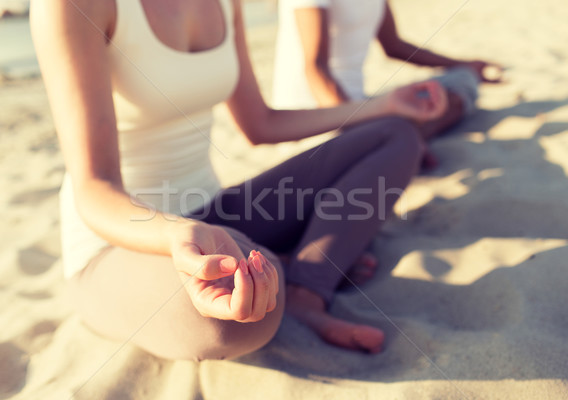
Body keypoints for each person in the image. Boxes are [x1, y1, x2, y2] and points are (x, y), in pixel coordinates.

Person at [30, 0, 447, 361]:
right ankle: (287, 264)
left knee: (395, 135)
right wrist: (176, 234)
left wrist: (381, 105)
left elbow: (260, 124)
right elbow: (94, 189)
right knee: (229, 318)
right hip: (118, 241)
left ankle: (305, 290)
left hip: (216, 213)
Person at [272, 0, 502, 141]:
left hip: (360, 106)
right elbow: (315, 67)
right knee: (397, 125)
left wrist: (464, 64)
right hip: (315, 116)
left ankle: (403, 137)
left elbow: (396, 47)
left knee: (458, 81)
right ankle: (399, 138)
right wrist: (352, 128)